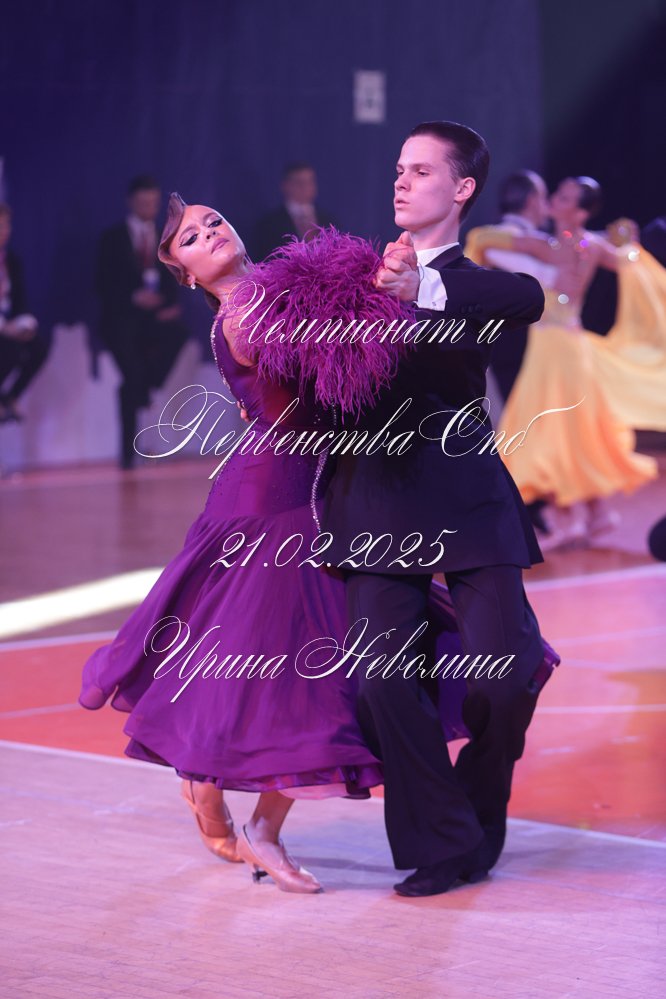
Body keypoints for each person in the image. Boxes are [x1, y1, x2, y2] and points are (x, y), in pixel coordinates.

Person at [79, 194, 485, 894]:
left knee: (309, 671)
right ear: (183, 272)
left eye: (213, 221)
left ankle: (230, 801)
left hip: (313, 489)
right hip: (275, 503)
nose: (211, 233)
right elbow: (338, 367)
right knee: (297, 670)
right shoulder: (247, 314)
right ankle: (230, 802)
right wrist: (377, 298)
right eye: (191, 238)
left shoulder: (277, 290)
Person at [321, 121, 557, 897]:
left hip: (466, 498)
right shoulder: (351, 277)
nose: (401, 180)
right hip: (375, 498)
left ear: (461, 188)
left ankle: (477, 818)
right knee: (383, 683)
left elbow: (528, 297)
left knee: (505, 678)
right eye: (399, 168)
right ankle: (444, 842)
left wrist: (417, 290)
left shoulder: (472, 283)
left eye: (421, 170)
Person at [468, 176, 660, 548]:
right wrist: (626, 242)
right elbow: (627, 259)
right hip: (567, 347)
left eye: (566, 198)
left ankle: (569, 520)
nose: (555, 200)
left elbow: (487, 239)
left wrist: (476, 245)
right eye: (557, 194)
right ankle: (598, 514)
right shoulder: (588, 244)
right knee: (573, 432)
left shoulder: (552, 246)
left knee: (552, 431)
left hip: (557, 351)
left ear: (581, 212)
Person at [96, 175, 190, 468]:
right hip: (122, 320)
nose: (148, 208)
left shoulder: (166, 237)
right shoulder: (112, 238)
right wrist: (132, 297)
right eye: (142, 202)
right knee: (132, 377)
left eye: (152, 202)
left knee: (178, 334)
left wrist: (169, 305)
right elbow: (102, 283)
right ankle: (128, 452)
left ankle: (147, 388)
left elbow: (175, 278)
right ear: (131, 202)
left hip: (154, 319)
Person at [466, 170, 555, 403]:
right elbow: (544, 277)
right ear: (532, 200)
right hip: (510, 348)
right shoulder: (492, 239)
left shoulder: (500, 238)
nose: (547, 207)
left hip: (533, 345)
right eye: (544, 198)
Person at [0, 203, 49, 423]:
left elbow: (20, 301)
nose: (3, 231)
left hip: (10, 324)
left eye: (6, 225)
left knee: (37, 346)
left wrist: (25, 324)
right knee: (10, 351)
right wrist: (4, 328)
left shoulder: (12, 260)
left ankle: (10, 398)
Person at [251, 162, 336, 261]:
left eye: (309, 182)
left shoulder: (329, 220)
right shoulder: (269, 225)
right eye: (299, 183)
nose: (305, 187)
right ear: (285, 186)